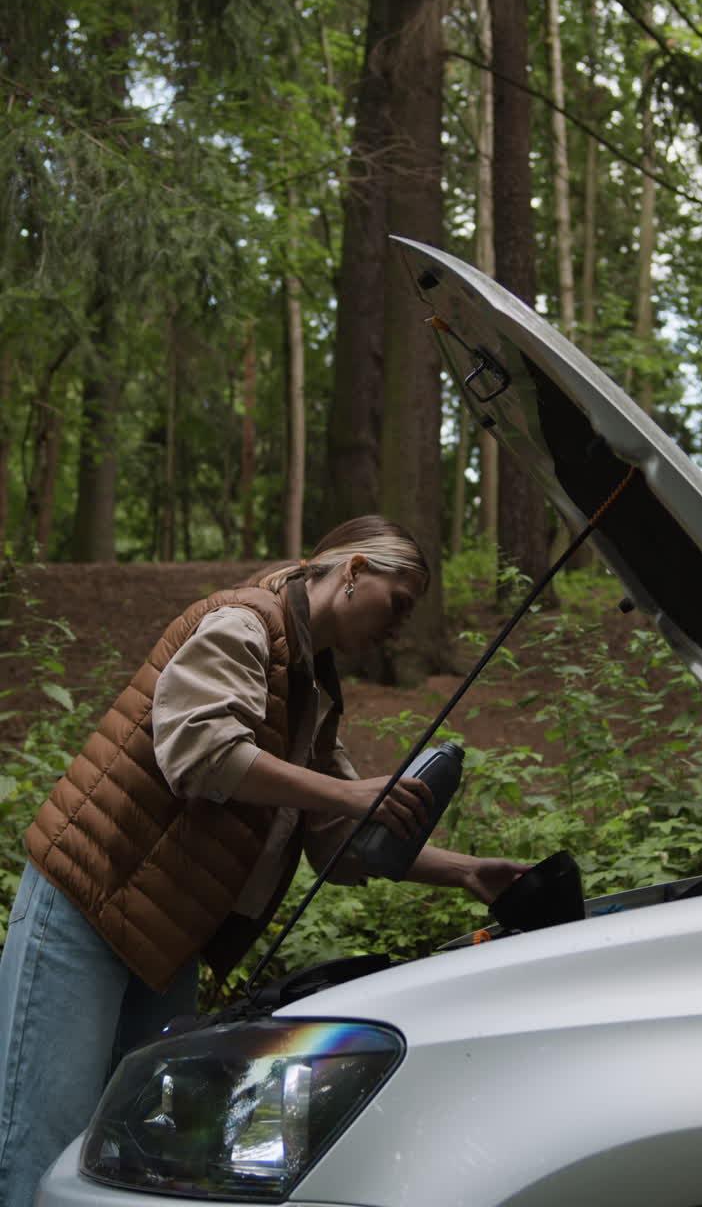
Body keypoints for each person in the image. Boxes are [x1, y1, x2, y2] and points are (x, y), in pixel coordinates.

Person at [0, 515, 527, 1207]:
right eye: (399, 602)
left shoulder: (311, 679)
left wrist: (465, 870)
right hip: (92, 896)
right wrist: (347, 788)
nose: (400, 625)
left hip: (168, 929)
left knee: (128, 1147)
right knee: (41, 1131)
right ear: (355, 570)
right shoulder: (243, 624)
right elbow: (203, 755)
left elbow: (338, 838)